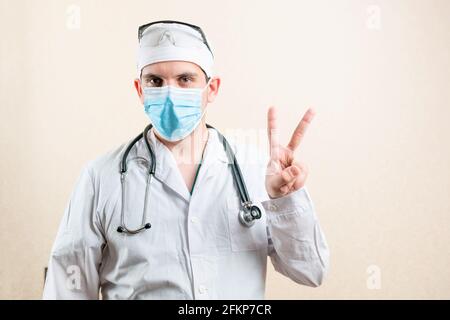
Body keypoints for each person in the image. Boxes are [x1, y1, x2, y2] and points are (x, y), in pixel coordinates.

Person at [43, 20, 329, 299]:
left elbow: (311, 272)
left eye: (185, 79)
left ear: (212, 89)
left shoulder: (256, 170)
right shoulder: (100, 177)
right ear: (140, 90)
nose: (170, 93)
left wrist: (283, 200)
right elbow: (67, 287)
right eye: (155, 81)